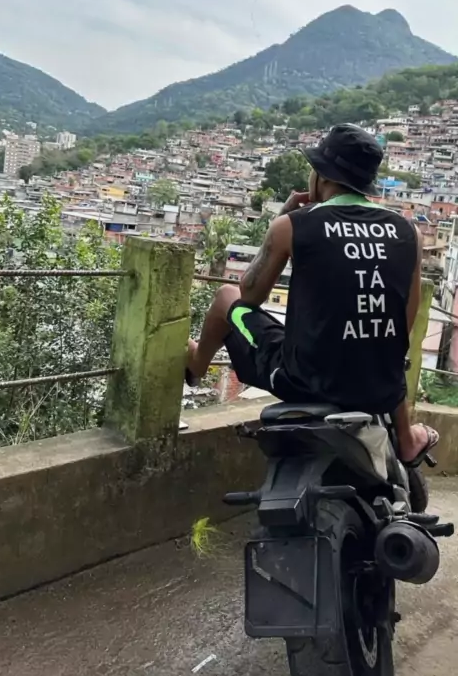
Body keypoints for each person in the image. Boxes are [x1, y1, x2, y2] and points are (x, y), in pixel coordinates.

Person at [187, 123, 438, 466]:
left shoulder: (294, 225)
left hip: (304, 382)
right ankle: (407, 440)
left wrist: (281, 220)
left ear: (321, 175)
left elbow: (250, 295)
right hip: (379, 384)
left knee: (225, 297)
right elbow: (402, 326)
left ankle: (196, 364)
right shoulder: (409, 232)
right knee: (384, 349)